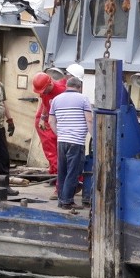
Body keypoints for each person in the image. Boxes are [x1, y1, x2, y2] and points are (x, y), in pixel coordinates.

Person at [48, 76, 92, 211]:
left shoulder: (56, 100)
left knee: (62, 171)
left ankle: (62, 200)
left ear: (67, 86)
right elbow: (89, 120)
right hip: (76, 141)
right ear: (79, 87)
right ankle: (67, 201)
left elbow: (51, 121)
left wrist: (60, 134)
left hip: (62, 141)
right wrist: (95, 137)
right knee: (74, 172)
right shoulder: (83, 99)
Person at [32, 71, 67, 176]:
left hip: (58, 120)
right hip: (47, 118)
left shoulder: (62, 91)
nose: (42, 93)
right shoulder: (44, 91)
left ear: (50, 84)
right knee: (50, 148)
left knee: (59, 148)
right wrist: (43, 117)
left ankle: (59, 174)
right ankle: (56, 173)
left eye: (43, 90)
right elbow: (45, 103)